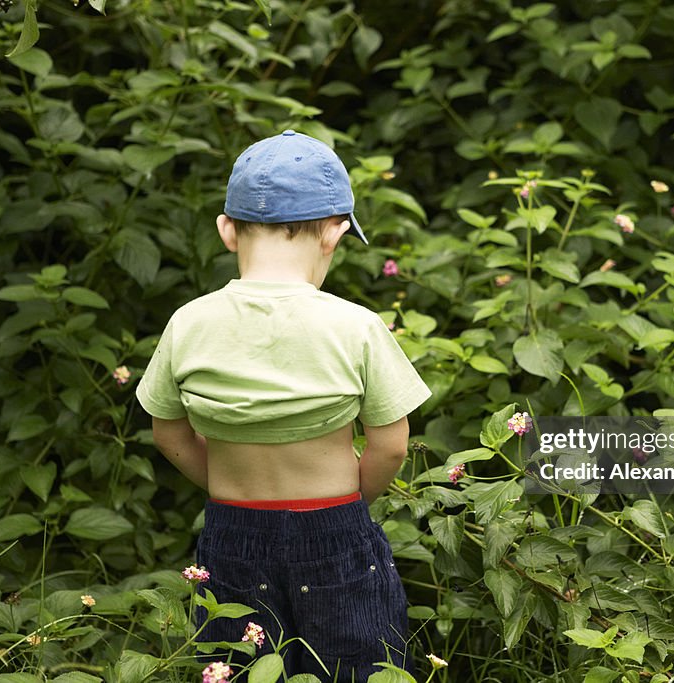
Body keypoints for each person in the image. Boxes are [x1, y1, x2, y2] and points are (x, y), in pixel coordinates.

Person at [135, 129, 432, 681]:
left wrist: (225, 487)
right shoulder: (356, 326)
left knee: (239, 668)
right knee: (358, 669)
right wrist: (351, 503)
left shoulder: (189, 323)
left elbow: (169, 434)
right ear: (334, 235)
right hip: (336, 529)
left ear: (228, 231)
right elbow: (391, 446)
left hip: (231, 534)